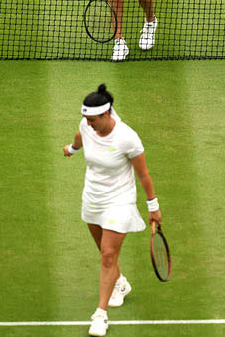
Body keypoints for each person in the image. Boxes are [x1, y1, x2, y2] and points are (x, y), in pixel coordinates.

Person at [63, 84, 162, 336]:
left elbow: (144, 175)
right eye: (86, 119)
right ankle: (120, 283)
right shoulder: (87, 126)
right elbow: (80, 135)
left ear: (107, 114)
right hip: (93, 198)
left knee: (107, 256)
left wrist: (153, 207)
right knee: (105, 253)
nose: (88, 123)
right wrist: (72, 149)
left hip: (120, 200)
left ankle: (100, 315)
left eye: (93, 119)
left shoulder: (128, 138)